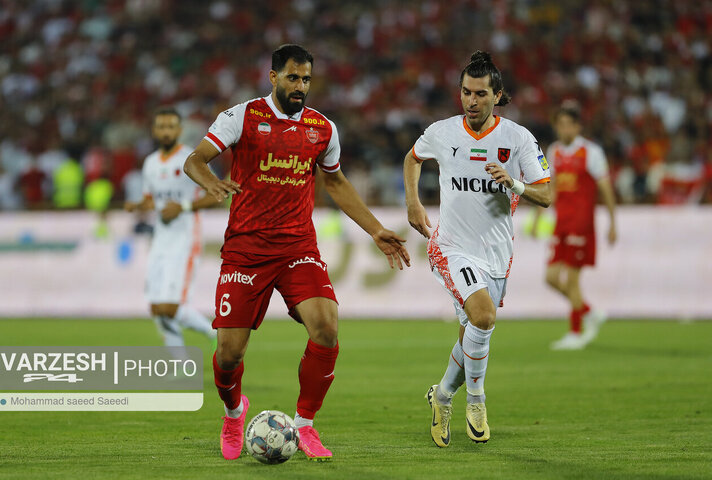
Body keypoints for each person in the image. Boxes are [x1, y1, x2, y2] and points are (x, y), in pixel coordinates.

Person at [183, 44, 410, 461]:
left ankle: (304, 425)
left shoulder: (322, 128)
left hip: (297, 246)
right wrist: (211, 182)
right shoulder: (243, 116)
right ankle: (234, 413)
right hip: (246, 250)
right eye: (292, 77)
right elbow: (195, 160)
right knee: (229, 356)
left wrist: (376, 229)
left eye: (306, 79)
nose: (300, 86)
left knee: (326, 327)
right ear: (273, 77)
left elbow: (336, 183)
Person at [404, 51, 551, 448]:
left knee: (472, 330)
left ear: (498, 95)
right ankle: (476, 400)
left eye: (481, 94)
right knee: (483, 317)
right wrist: (413, 203)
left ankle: (443, 396)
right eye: (466, 93)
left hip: (496, 256)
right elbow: (412, 159)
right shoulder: (443, 131)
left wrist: (517, 185)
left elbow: (548, 193)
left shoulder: (518, 138)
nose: (472, 101)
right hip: (451, 247)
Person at [125, 107, 218, 354]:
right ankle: (179, 365)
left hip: (185, 239)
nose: (166, 131)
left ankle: (215, 334)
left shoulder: (192, 160)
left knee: (170, 307)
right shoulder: (150, 163)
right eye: (161, 127)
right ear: (155, 131)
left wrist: (185, 206)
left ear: (179, 130)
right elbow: (151, 201)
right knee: (156, 309)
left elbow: (217, 194)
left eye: (171, 126)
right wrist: (138, 205)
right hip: (160, 241)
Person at [542, 101, 617, 350]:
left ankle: (575, 332)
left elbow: (605, 188)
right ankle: (589, 312)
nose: (563, 129)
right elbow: (551, 189)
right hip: (561, 223)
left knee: (572, 280)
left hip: (581, 223)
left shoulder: (591, 152)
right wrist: (540, 218)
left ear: (578, 126)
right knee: (551, 278)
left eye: (568, 124)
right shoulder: (553, 151)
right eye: (559, 124)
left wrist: (612, 222)